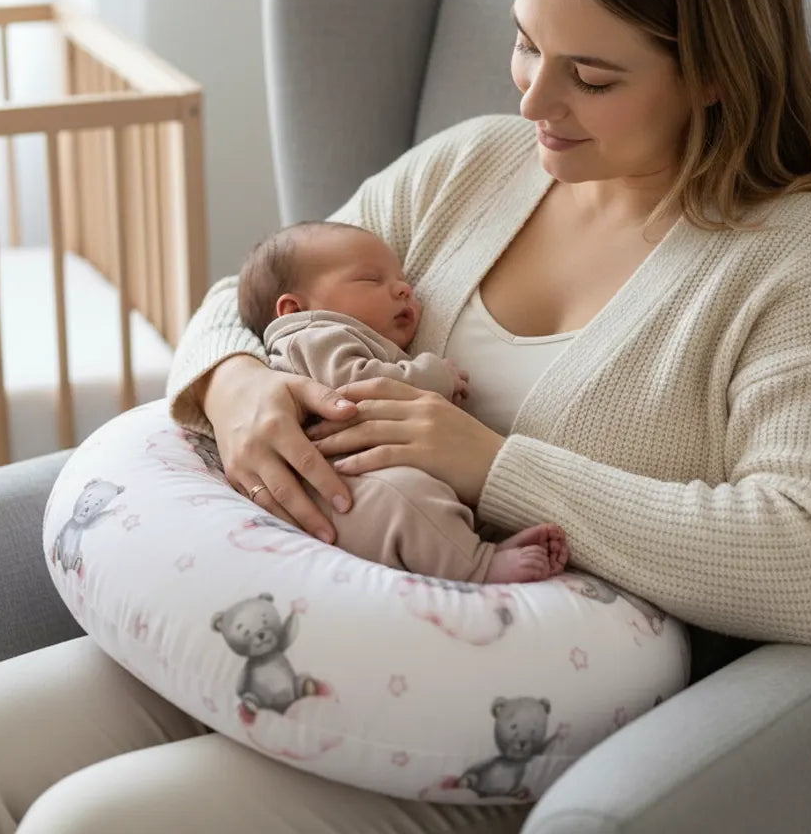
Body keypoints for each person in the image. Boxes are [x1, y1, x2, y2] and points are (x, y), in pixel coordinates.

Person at [0, 0, 811, 833]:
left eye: (590, 77)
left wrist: (493, 465)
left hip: (506, 715)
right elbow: (255, 293)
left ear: (715, 75)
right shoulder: (475, 166)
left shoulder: (799, 263)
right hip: (312, 610)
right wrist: (232, 382)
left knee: (94, 822)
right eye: (524, 43)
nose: (531, 102)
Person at [237, 218, 570, 583]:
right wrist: (432, 375)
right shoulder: (310, 335)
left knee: (437, 494)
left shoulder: (352, 336)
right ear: (293, 309)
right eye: (371, 279)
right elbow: (355, 385)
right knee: (409, 497)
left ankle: (483, 543)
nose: (403, 290)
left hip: (367, 473)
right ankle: (479, 565)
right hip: (341, 487)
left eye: (403, 281)